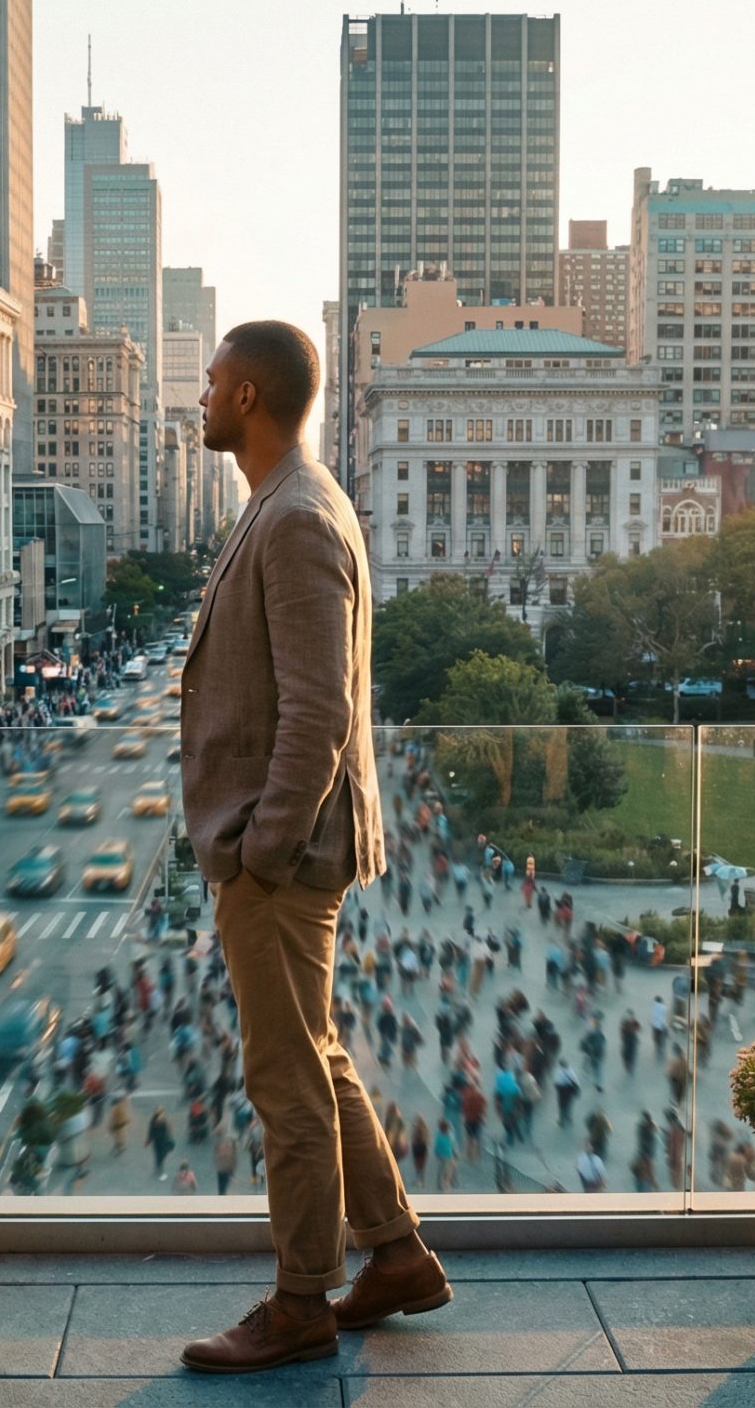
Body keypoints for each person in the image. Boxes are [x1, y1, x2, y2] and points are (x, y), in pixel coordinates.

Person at [177, 322, 444, 1377]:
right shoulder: (287, 500)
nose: (198, 399)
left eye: (207, 384)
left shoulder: (293, 516)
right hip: (279, 847)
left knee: (282, 1079)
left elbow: (317, 710)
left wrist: (260, 848)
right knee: (317, 1058)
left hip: (280, 856)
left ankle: (299, 1301)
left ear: (246, 394)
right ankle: (397, 1255)